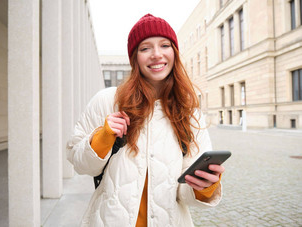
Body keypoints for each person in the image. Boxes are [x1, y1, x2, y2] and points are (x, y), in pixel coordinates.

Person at [66, 14, 225, 227]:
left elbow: (183, 195)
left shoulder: (189, 113)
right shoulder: (107, 101)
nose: (156, 55)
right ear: (135, 58)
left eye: (165, 45)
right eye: (145, 48)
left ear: (174, 52)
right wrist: (102, 137)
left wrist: (204, 187)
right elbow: (80, 164)